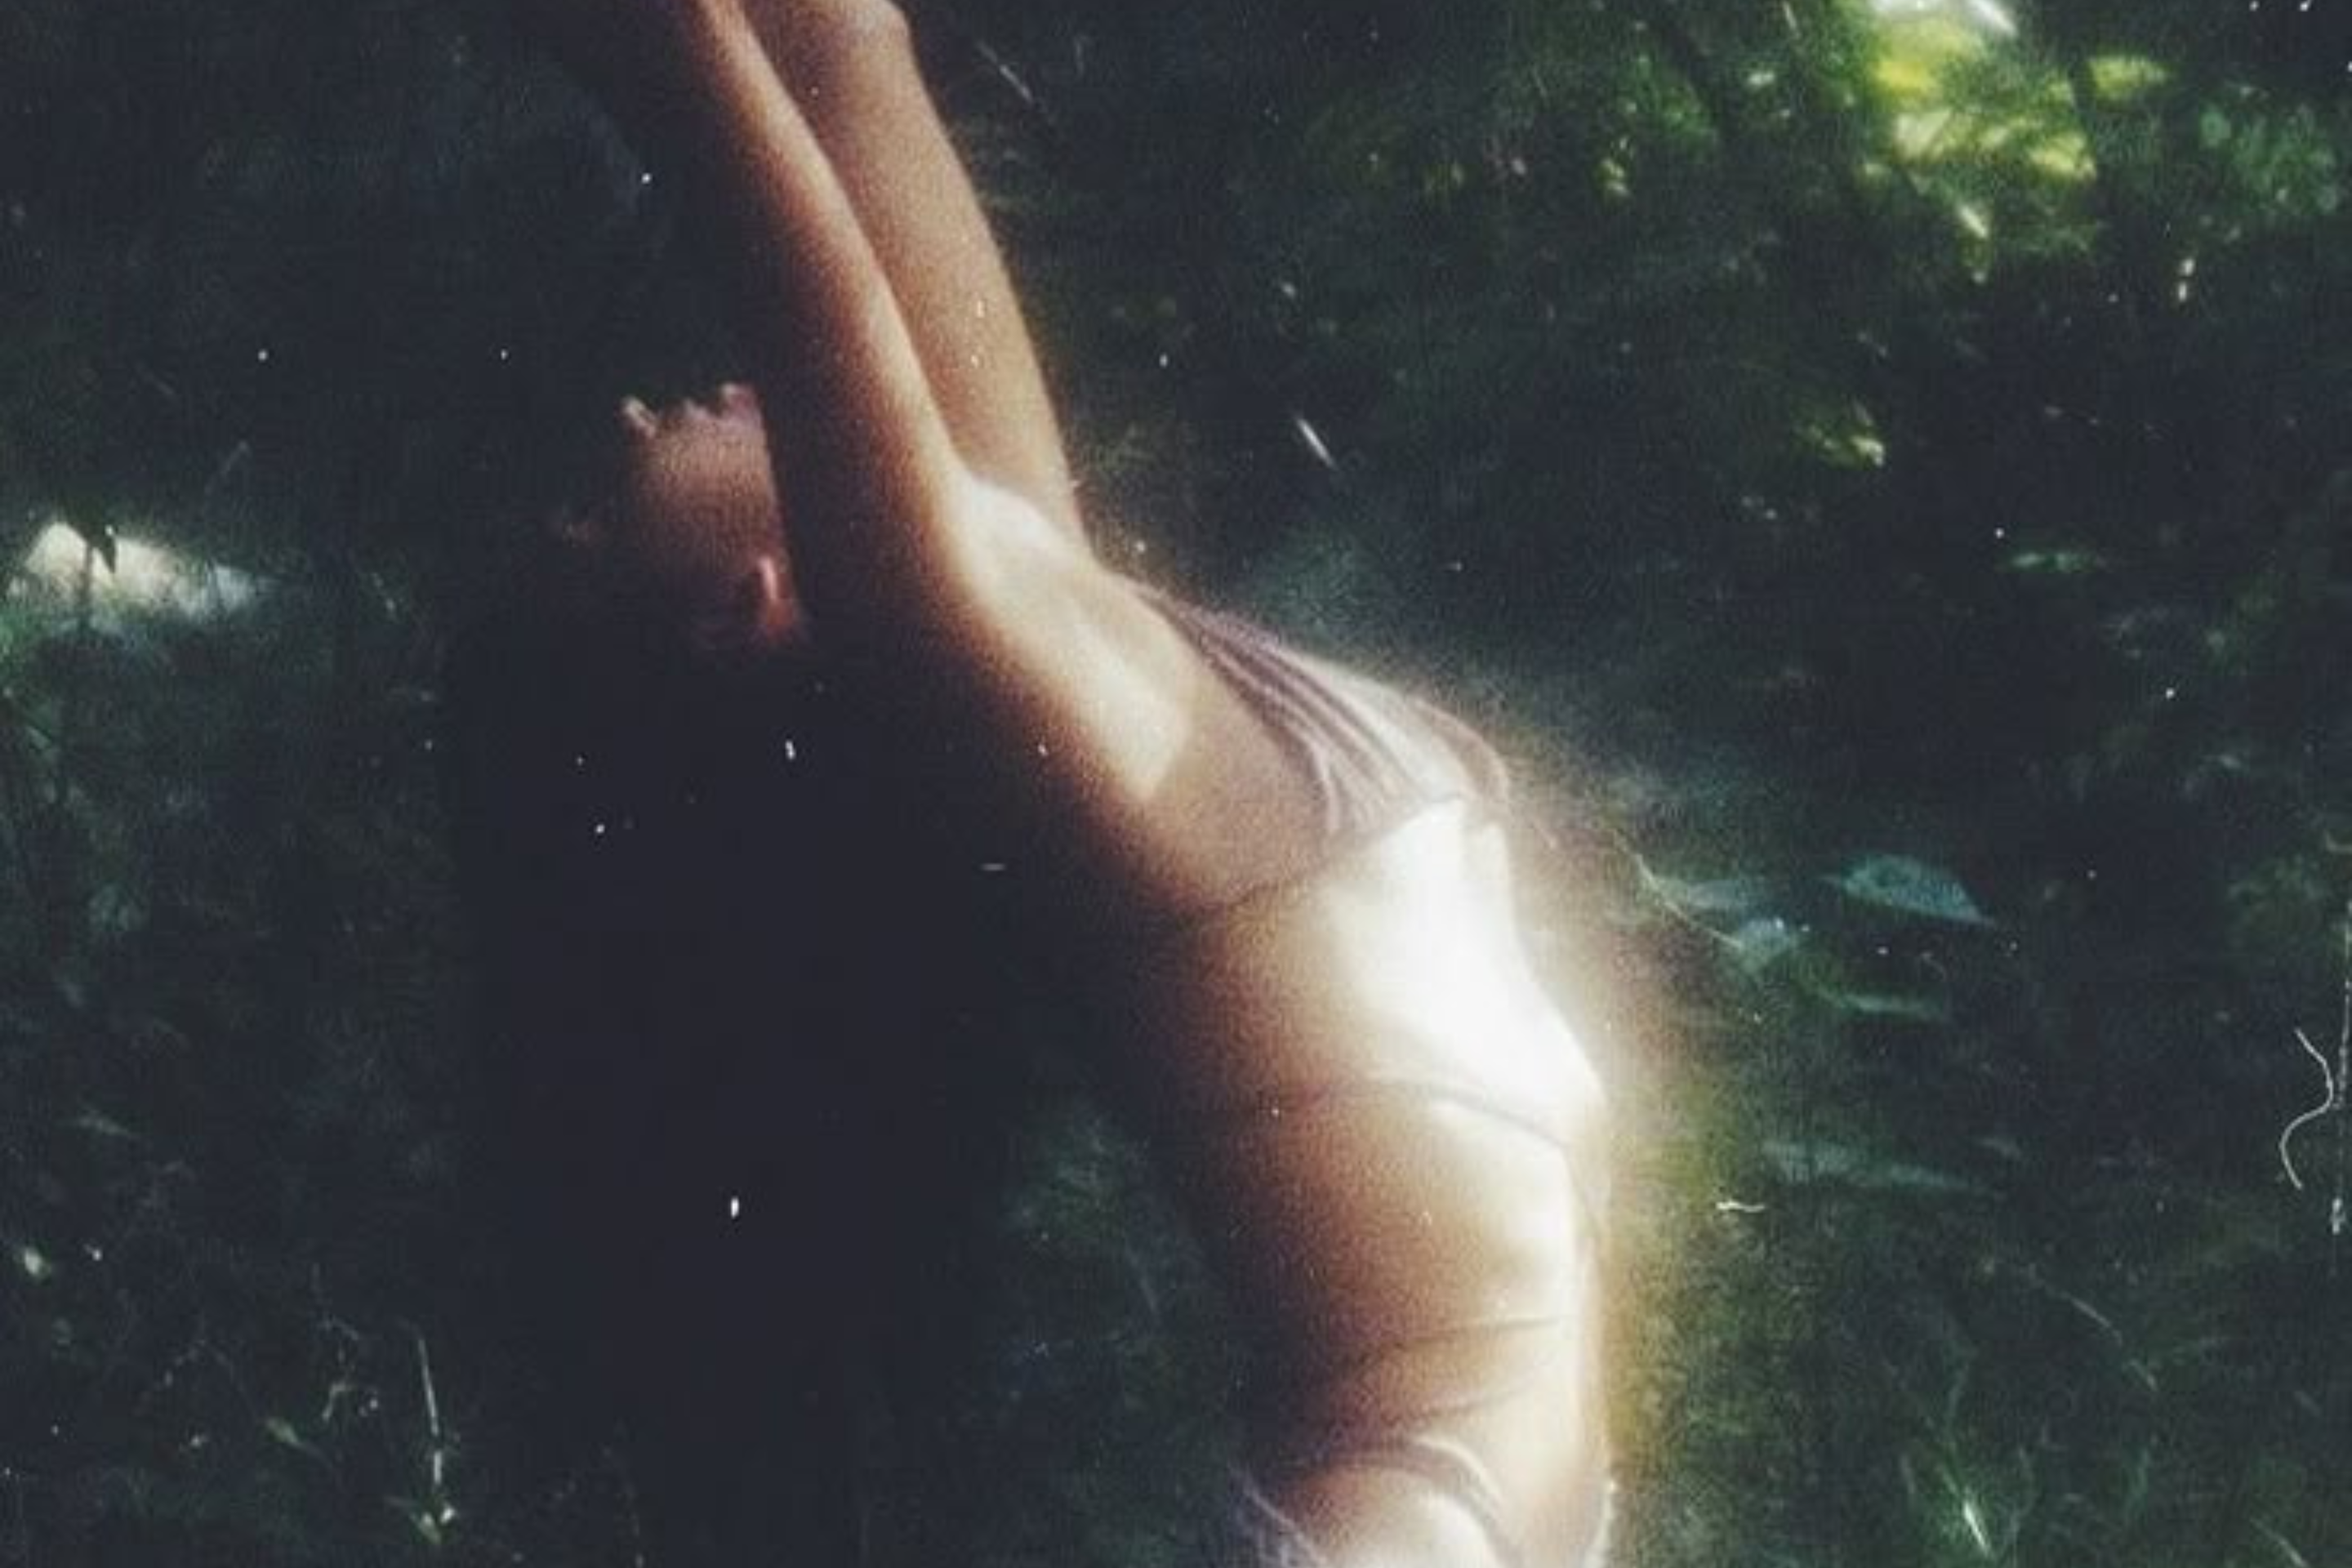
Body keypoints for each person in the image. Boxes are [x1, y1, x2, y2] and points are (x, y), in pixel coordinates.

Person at [466, 0, 1613, 1561]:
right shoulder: (933, 615)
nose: (633, 415)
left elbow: (843, 51)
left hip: (1457, 1496)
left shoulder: (1039, 614)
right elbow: (713, 119)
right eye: (604, 504)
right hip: (1410, 1516)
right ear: (739, 610)